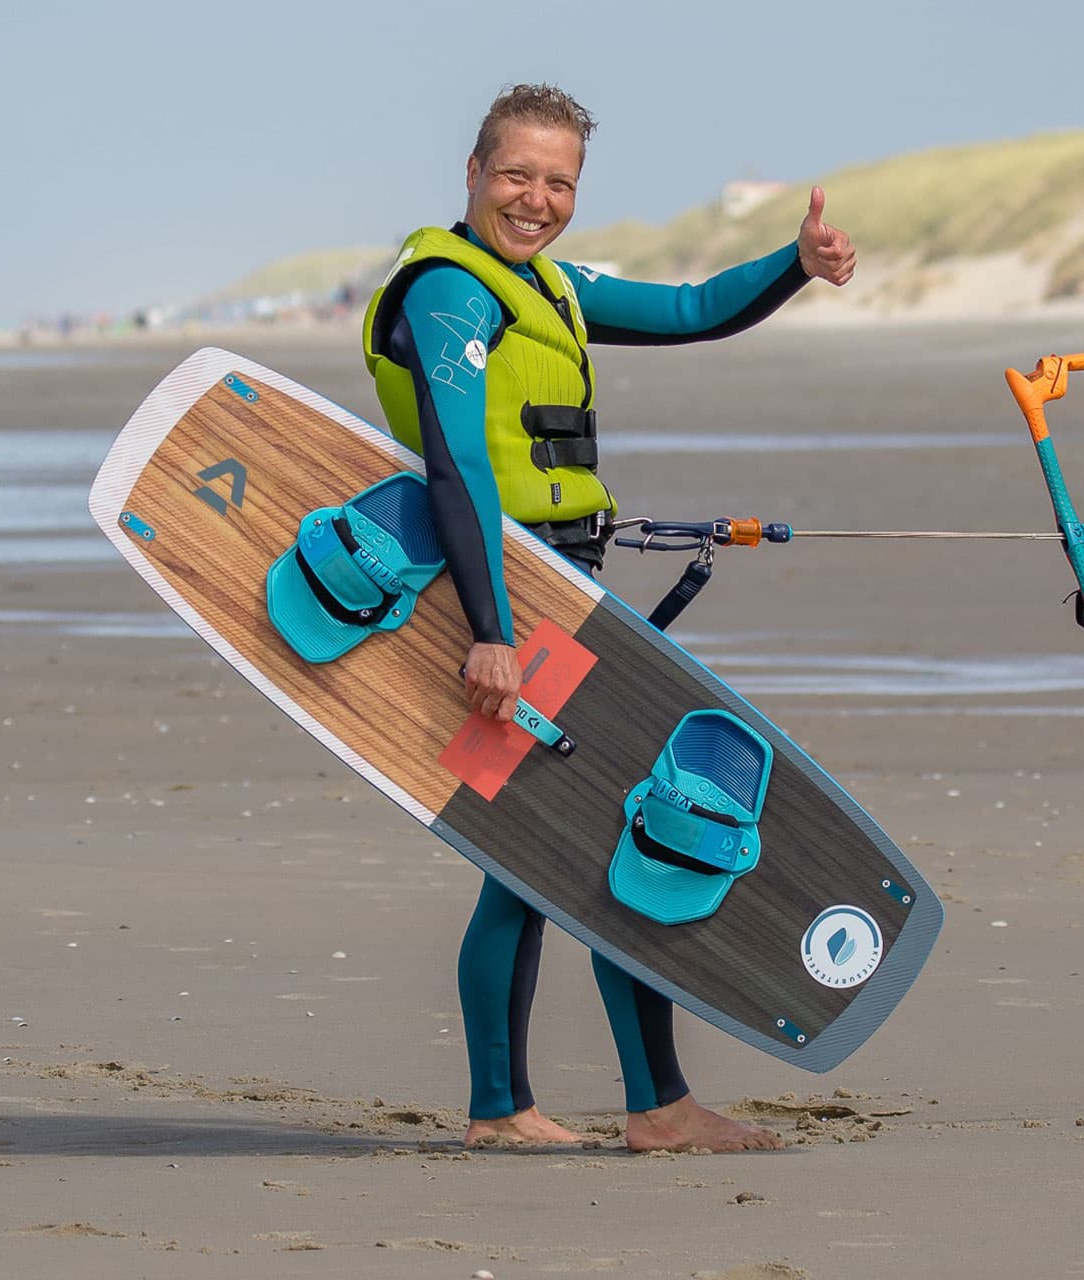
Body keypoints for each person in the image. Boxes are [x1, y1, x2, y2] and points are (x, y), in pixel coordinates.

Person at [360, 84, 856, 1154]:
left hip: (563, 593)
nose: (536, 200)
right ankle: (581, 1107)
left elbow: (687, 309)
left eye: (559, 182)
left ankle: (623, 1104)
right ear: (472, 173)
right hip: (504, 596)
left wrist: (795, 264)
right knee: (558, 845)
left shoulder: (549, 285)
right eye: (516, 175)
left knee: (565, 844)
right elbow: (455, 464)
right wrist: (490, 629)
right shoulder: (448, 291)